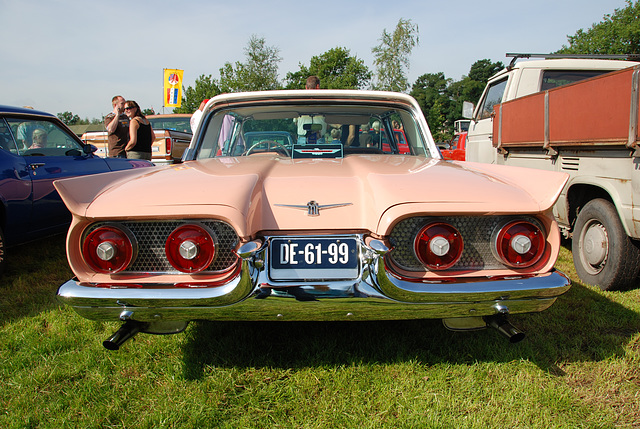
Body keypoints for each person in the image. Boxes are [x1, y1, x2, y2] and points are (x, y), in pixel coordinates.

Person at [295, 76, 326, 143]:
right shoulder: (325, 102)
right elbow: (329, 123)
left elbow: (295, 122)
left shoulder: (298, 102)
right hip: (319, 138)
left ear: (306, 87)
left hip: (302, 139)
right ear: (318, 87)